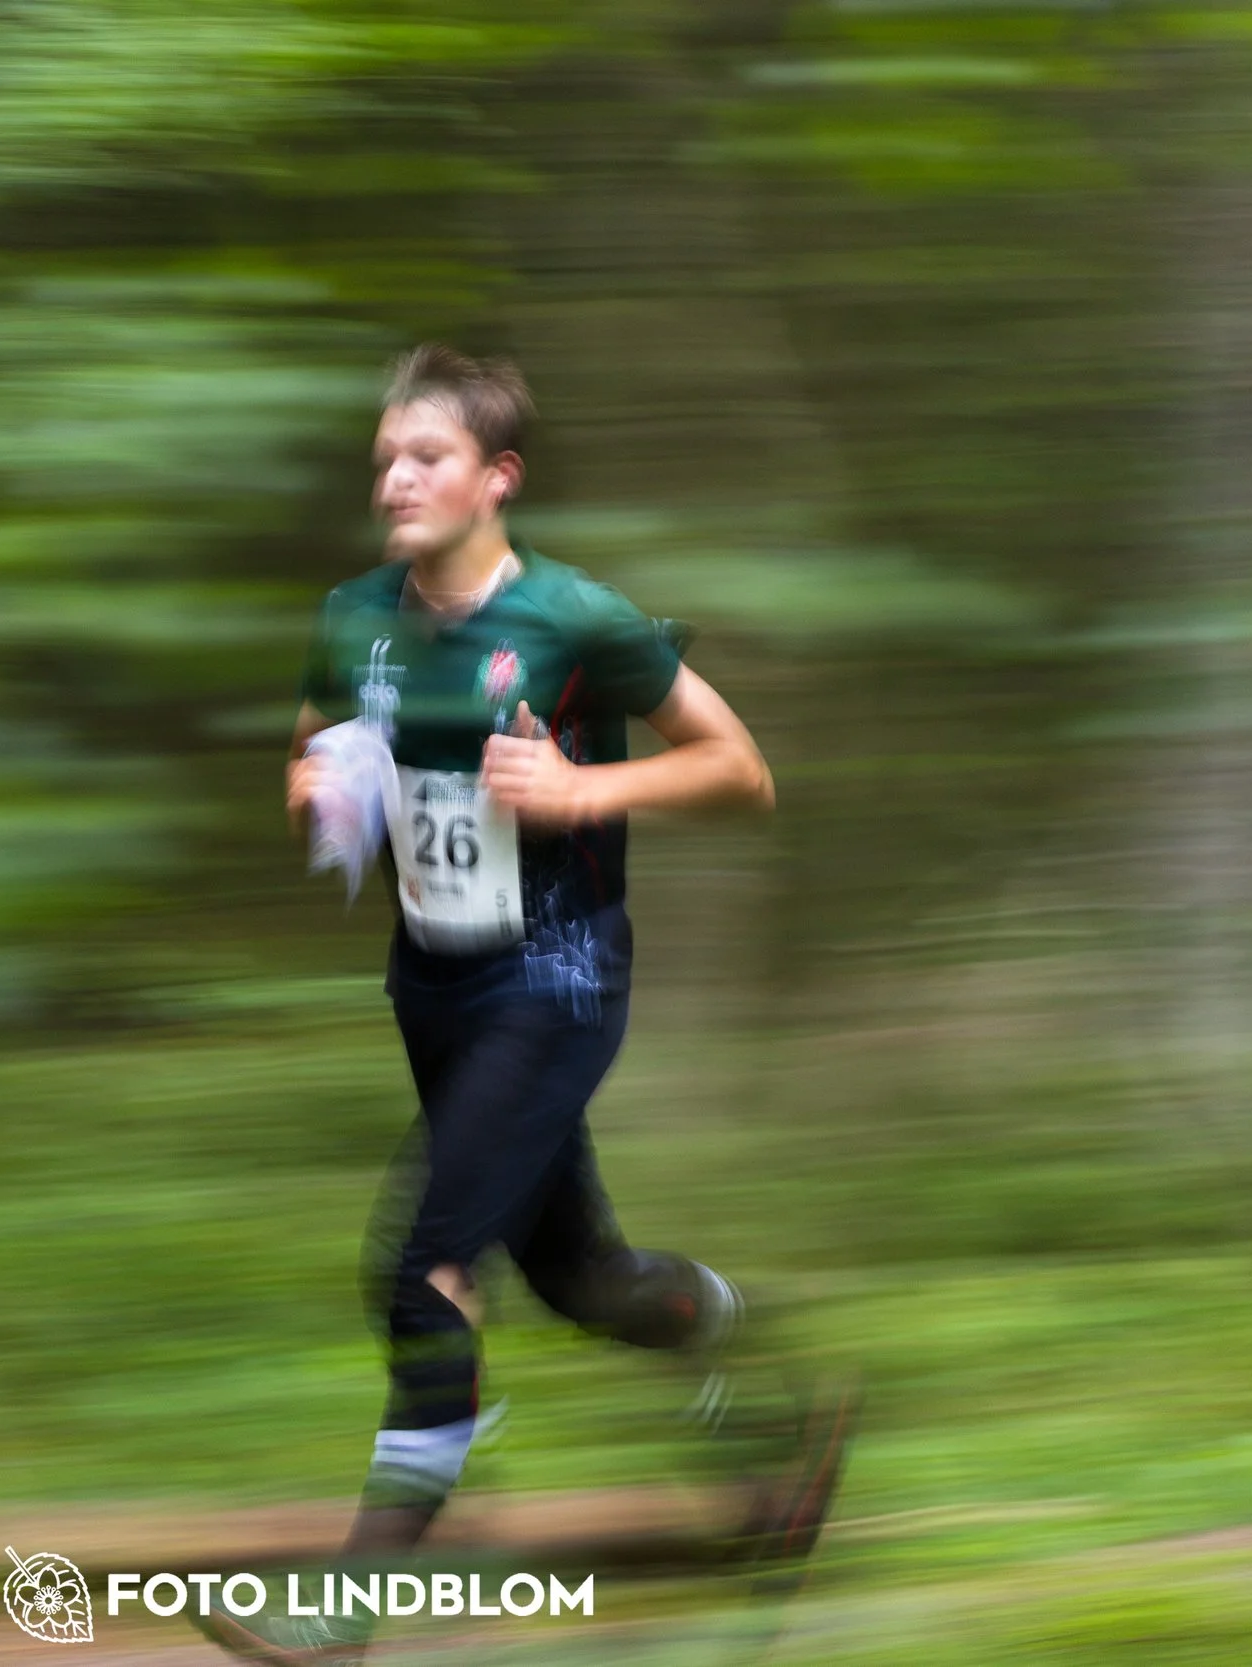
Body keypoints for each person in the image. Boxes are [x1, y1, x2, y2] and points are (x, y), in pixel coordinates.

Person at [196, 345, 853, 1667]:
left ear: (497, 476)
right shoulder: (352, 618)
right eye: (385, 458)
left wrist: (581, 791)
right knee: (581, 1280)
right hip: (432, 986)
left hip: (556, 982)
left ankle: (349, 1610)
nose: (395, 479)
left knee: (422, 1272)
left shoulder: (574, 619)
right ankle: (781, 1414)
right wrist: (318, 795)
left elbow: (741, 770)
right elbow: (316, 749)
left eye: (425, 456)